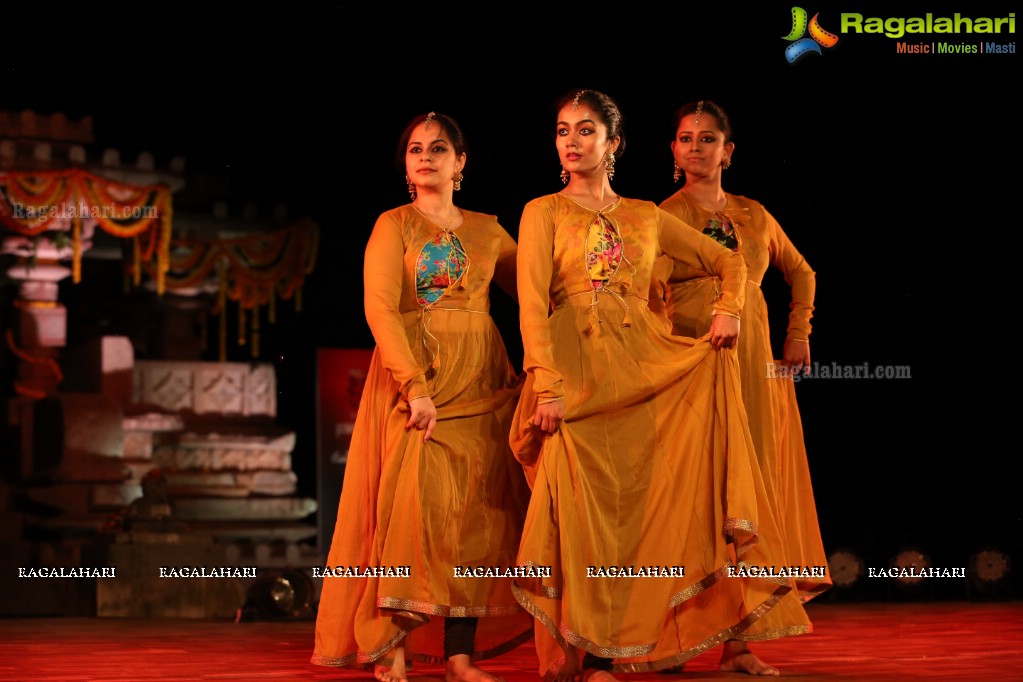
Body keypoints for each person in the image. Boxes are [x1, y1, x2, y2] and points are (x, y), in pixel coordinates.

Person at [510, 90, 807, 681]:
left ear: (613, 144)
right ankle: (584, 650)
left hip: (641, 372)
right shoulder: (541, 211)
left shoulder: (646, 215)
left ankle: (621, 650)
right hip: (572, 374)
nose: (571, 140)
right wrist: (544, 383)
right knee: (578, 513)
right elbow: (529, 306)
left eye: (586, 130)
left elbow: (732, 264)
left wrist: (730, 309)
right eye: (564, 130)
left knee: (635, 519)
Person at [311, 112, 532, 682]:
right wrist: (414, 386)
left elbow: (536, 292)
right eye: (415, 149)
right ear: (406, 165)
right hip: (420, 383)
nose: (426, 156)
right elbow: (380, 308)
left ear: (462, 162)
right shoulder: (394, 225)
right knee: (412, 513)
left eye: (439, 148)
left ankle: (461, 655)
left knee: (477, 520)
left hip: (483, 384)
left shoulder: (487, 230)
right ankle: (391, 646)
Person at [654, 99, 832, 674]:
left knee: (746, 496)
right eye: (685, 138)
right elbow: (648, 291)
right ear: (673, 151)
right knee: (690, 493)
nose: (696, 148)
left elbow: (801, 271)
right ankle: (671, 635)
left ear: (728, 151)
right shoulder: (660, 215)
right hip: (692, 360)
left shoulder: (755, 215)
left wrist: (797, 335)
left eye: (708, 139)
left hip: (753, 362)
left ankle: (739, 643)